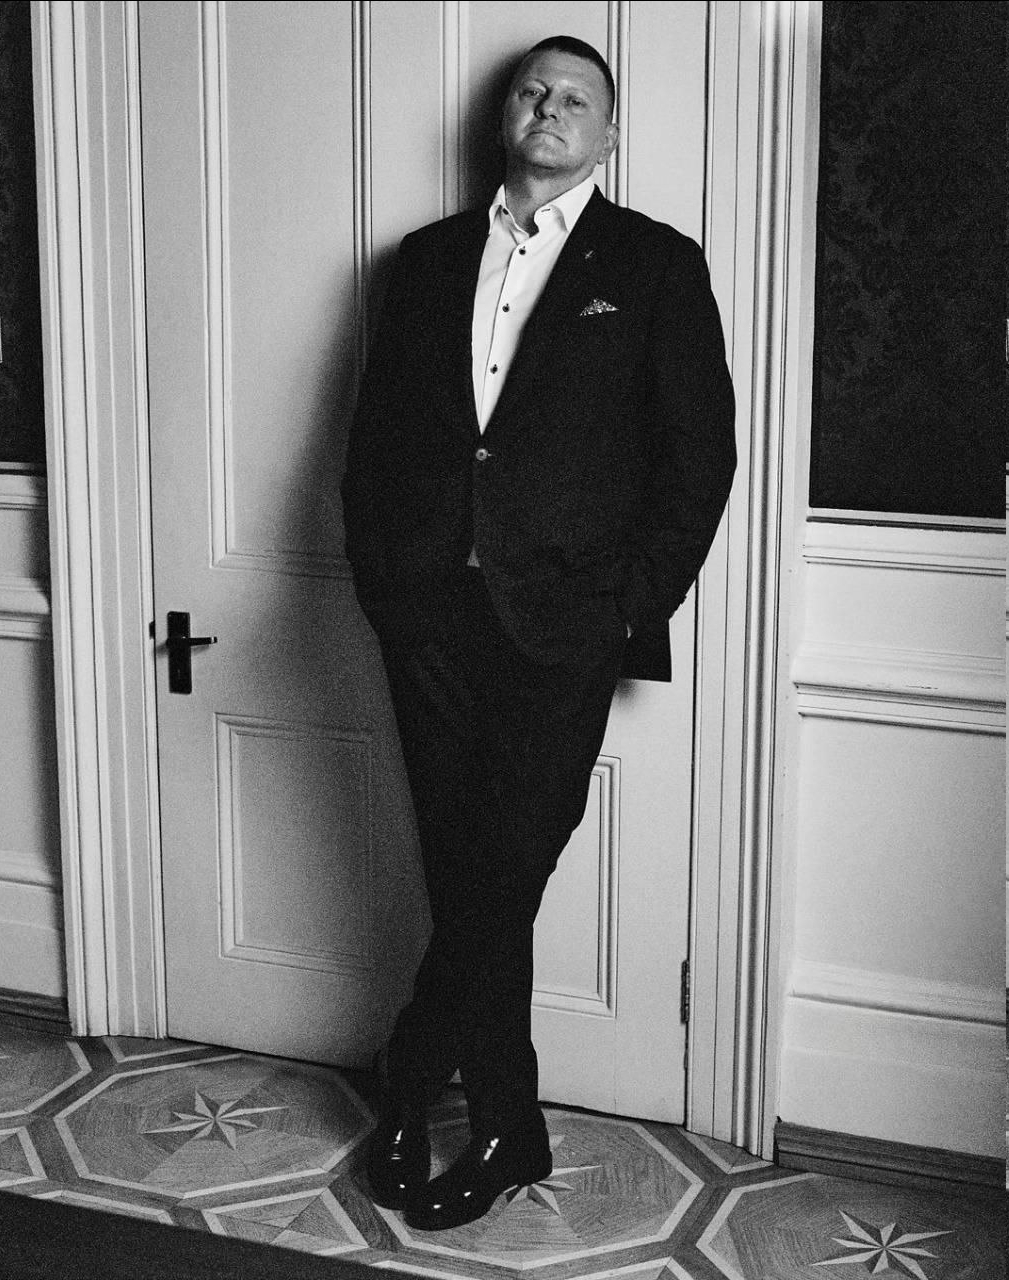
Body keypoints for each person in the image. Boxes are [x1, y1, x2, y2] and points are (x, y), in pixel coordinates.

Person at [341, 34, 735, 1232]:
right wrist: (383, 582)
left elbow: (700, 455)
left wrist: (630, 603)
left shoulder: (655, 264)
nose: (550, 107)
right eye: (532, 91)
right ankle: (504, 1121)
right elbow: (372, 434)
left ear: (607, 134)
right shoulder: (422, 260)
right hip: (427, 613)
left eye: (577, 98)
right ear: (502, 115)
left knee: (499, 863)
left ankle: (417, 1073)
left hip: (564, 623)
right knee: (465, 865)